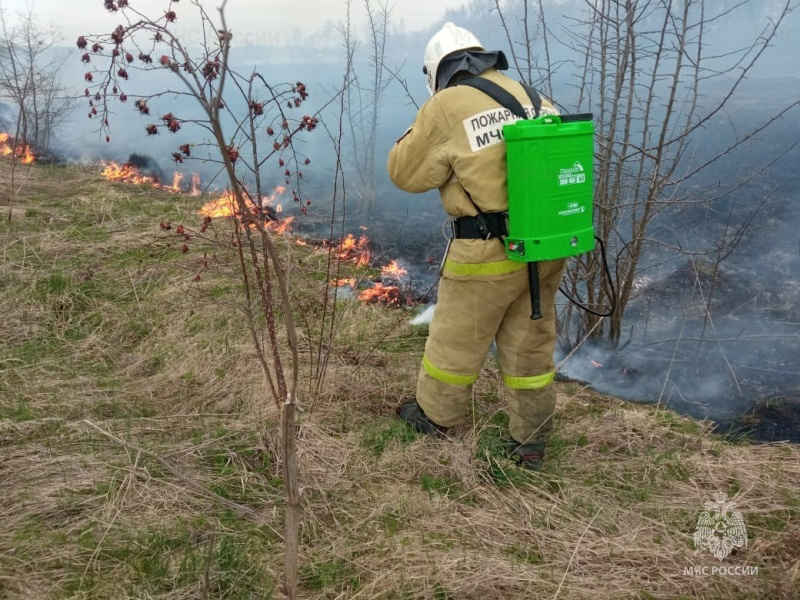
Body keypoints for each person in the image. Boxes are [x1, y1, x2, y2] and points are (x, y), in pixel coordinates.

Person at [387, 22, 566, 470]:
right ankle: (531, 440)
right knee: (531, 342)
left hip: (486, 253)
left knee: (455, 341)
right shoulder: (534, 97)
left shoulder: (446, 106)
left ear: (438, 73)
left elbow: (405, 174)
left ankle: (437, 419)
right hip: (546, 247)